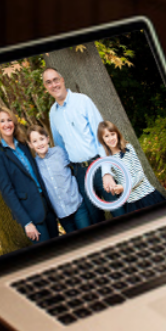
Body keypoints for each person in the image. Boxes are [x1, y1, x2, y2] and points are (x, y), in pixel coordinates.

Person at [42, 68, 117, 224]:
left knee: (119, 211)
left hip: (98, 164)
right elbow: (60, 147)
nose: (53, 85)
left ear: (62, 80)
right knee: (95, 219)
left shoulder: (82, 101)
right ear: (45, 87)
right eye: (48, 82)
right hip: (80, 173)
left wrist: (107, 172)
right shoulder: (53, 113)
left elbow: (102, 138)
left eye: (55, 80)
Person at [0, 108, 57, 245]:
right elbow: (7, 192)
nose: (7, 124)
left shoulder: (24, 145)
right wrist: (26, 222)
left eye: (9, 120)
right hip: (31, 214)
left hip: (47, 207)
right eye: (2, 121)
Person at [26, 125, 93, 235]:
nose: (40, 143)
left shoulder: (60, 152)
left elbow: (75, 167)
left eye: (42, 139)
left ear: (47, 139)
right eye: (35, 141)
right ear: (30, 145)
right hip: (61, 214)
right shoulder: (34, 165)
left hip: (77, 205)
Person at [96, 121, 166, 215]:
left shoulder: (128, 148)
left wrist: (124, 187)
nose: (111, 138)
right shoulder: (107, 161)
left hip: (147, 195)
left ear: (117, 134)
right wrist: (115, 188)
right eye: (106, 136)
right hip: (132, 202)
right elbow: (116, 180)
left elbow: (140, 173)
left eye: (112, 134)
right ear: (102, 139)